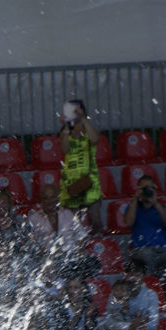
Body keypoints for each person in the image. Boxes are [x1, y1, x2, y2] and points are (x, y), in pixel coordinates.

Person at [57, 99, 103, 234]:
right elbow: (65, 149)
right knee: (73, 222)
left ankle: (99, 245)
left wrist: (83, 119)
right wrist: (66, 126)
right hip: (71, 180)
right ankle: (79, 249)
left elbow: (95, 139)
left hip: (89, 179)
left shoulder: (88, 129)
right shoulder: (65, 131)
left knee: (95, 218)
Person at [27, 181, 88, 256]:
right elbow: (31, 243)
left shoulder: (68, 214)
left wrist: (77, 254)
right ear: (41, 200)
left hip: (71, 258)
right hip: (48, 261)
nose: (50, 201)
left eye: (52, 197)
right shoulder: (34, 219)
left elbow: (82, 236)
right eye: (46, 198)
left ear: (57, 198)